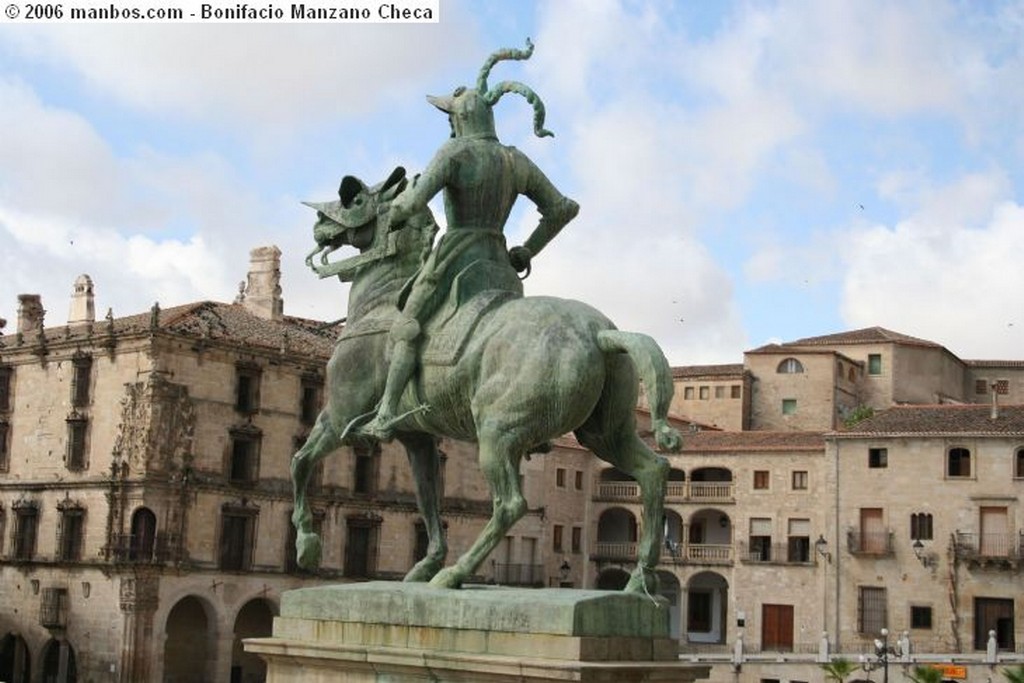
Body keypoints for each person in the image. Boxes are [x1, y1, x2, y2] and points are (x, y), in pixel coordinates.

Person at [360, 40, 579, 441]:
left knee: (407, 324)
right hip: (499, 264)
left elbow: (412, 203)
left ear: (458, 119)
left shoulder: (454, 152)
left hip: (456, 258)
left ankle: (387, 412)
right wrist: (528, 249)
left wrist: (400, 206)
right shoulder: (517, 160)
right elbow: (563, 208)